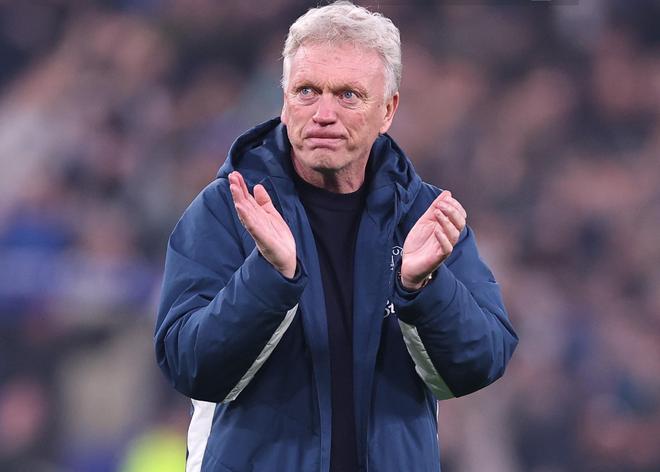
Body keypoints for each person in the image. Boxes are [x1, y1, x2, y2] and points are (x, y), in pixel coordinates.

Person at [155, 2, 518, 471]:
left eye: (348, 95)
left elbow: (480, 363)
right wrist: (269, 277)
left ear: (387, 110)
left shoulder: (424, 217)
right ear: (284, 99)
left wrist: (423, 288)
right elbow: (189, 366)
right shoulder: (229, 208)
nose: (323, 113)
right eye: (307, 91)